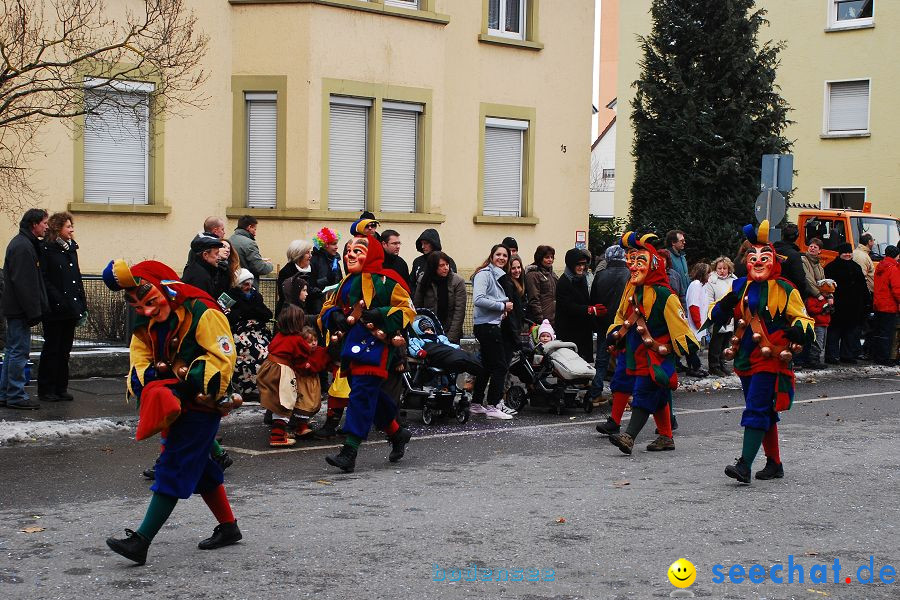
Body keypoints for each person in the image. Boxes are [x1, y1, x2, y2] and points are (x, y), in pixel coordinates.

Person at [102, 259, 241, 565]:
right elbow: (140, 363)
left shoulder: (202, 311)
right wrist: (155, 382)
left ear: (166, 289)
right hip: (171, 404)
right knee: (201, 468)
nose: (148, 311)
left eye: (151, 302)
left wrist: (186, 379)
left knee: (174, 464)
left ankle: (141, 541)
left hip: (200, 405)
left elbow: (222, 359)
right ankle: (229, 527)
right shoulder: (146, 323)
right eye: (139, 307)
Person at [708, 221, 813, 484]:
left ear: (773, 260)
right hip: (744, 355)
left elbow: (803, 318)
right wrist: (725, 305)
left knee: (756, 407)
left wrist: (799, 331)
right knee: (763, 409)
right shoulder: (740, 285)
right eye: (752, 257)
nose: (757, 262)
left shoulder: (784, 288)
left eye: (763, 257)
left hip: (770, 357)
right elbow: (716, 316)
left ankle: (744, 464)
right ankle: (774, 462)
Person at [319, 230, 416, 472]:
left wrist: (381, 315)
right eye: (348, 251)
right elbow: (328, 307)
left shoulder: (387, 281)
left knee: (361, 395)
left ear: (370, 254)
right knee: (370, 395)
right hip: (350, 348)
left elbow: (408, 309)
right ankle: (397, 433)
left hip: (377, 347)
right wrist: (336, 316)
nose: (350, 255)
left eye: (357, 251)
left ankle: (349, 451)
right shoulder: (346, 282)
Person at [605, 232, 699, 454]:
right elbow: (621, 315)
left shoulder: (665, 294)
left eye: (640, 262)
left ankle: (629, 436)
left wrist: (689, 352)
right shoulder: (631, 288)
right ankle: (666, 437)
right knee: (659, 395)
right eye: (632, 261)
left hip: (658, 354)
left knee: (644, 391)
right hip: (635, 351)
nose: (634, 267)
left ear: (653, 264)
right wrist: (614, 332)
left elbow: (680, 326)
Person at [258, 305, 331, 446]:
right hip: (283, 370)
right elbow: (301, 360)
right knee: (285, 403)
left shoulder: (280, 335)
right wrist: (305, 366)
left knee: (276, 402)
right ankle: (277, 437)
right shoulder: (297, 340)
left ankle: (280, 432)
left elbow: (271, 348)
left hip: (269, 367)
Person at [0, 208, 49, 410]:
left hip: (16, 309)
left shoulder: (24, 243)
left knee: (12, 351)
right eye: (44, 223)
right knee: (19, 352)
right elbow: (25, 283)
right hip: (20, 310)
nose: (47, 226)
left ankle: (6, 393)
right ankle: (15, 395)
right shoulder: (23, 247)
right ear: (34, 224)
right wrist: (33, 312)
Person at [37, 211, 87, 403]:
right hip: (55, 309)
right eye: (68, 226)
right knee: (52, 349)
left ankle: (60, 387)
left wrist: (82, 303)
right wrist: (58, 300)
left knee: (65, 350)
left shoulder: (70, 249)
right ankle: (47, 388)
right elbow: (46, 279)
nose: (71, 230)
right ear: (58, 228)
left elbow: (76, 278)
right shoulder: (47, 249)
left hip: (71, 309)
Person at [470, 244, 515, 420]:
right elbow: (479, 299)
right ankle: (493, 405)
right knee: (500, 366)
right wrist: (502, 306)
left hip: (490, 324)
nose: (502, 258)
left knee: (487, 366)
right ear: (491, 256)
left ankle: (476, 403)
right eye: (498, 254)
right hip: (486, 327)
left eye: (505, 255)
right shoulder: (485, 274)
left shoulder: (497, 275)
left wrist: (500, 311)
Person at [587, 245, 630, 403]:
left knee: (602, 359)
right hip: (625, 322)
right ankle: (623, 394)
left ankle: (596, 392)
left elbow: (593, 300)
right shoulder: (629, 274)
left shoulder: (600, 275)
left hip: (604, 322)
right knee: (625, 359)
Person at [226, 268, 273, 402]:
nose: (249, 287)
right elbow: (230, 315)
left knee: (267, 352)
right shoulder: (230, 296)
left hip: (258, 330)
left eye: (250, 284)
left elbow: (266, 314)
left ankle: (262, 386)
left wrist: (250, 312)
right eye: (246, 284)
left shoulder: (255, 295)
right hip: (240, 332)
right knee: (249, 354)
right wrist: (249, 313)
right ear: (239, 285)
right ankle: (248, 388)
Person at [555, 248, 604, 362]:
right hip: (568, 331)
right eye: (578, 264)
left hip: (583, 330)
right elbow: (567, 306)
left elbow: (586, 299)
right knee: (569, 364)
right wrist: (589, 309)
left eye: (583, 264)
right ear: (571, 264)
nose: (581, 267)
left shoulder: (581, 279)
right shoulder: (564, 282)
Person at [824, 243, 868, 364]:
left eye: (849, 253)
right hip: (838, 305)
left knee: (850, 333)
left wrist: (866, 301)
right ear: (840, 254)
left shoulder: (856, 267)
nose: (848, 255)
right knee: (834, 332)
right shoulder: (831, 267)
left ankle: (847, 355)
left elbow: (863, 286)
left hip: (853, 306)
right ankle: (832, 356)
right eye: (845, 253)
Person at [413, 251, 467, 344]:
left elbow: (459, 312)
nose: (446, 268)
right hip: (429, 330)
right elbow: (417, 307)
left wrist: (450, 339)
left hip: (450, 329)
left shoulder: (457, 281)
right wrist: (423, 330)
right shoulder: (424, 280)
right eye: (441, 265)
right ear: (433, 267)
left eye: (447, 264)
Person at [704, 257, 737, 376]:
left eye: (725, 268)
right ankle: (714, 365)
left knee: (726, 342)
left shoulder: (734, 280)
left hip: (730, 315)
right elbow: (709, 299)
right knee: (716, 343)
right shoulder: (711, 281)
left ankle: (722, 363)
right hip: (717, 314)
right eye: (719, 268)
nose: (722, 271)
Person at [872, 246, 900, 365]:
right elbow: (897, 289)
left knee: (879, 332)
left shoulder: (880, 265)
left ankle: (877, 356)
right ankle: (884, 358)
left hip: (879, 303)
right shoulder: (893, 268)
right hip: (889, 305)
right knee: (887, 333)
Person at [410, 228, 456, 296]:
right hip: (420, 301)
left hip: (442, 299)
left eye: (425, 243)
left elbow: (453, 283)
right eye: (422, 244)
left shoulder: (447, 260)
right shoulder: (417, 261)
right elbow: (411, 283)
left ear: (433, 243)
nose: (423, 246)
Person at [230, 215, 273, 287]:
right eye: (255, 229)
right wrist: (270, 265)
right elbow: (260, 268)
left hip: (232, 284)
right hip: (247, 286)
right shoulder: (250, 244)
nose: (255, 233)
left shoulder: (229, 240)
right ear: (249, 227)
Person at [309, 227, 343, 317]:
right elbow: (312, 284)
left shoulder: (335, 261)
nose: (336, 247)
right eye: (333, 244)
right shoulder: (314, 260)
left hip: (334, 304)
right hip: (318, 306)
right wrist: (327, 279)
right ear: (325, 244)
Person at [275, 239, 313, 319]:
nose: (310, 256)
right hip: (290, 314)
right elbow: (285, 294)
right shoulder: (286, 271)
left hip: (307, 311)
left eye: (310, 252)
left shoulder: (311, 269)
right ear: (299, 255)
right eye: (307, 253)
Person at [804, 279, 835, 369]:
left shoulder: (826, 299)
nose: (828, 295)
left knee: (821, 343)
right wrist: (822, 309)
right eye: (826, 293)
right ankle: (813, 360)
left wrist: (830, 308)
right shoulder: (813, 299)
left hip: (824, 323)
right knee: (817, 343)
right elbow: (810, 309)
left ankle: (815, 359)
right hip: (817, 323)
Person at [524, 245, 558, 326]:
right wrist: (540, 319)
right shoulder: (533, 275)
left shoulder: (552, 274)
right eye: (547, 257)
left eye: (552, 257)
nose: (550, 260)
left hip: (553, 319)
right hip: (541, 320)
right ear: (540, 258)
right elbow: (534, 299)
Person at [773, 223, 807, 298]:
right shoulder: (794, 255)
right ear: (796, 236)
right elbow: (800, 279)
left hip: (771, 291)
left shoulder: (771, 251)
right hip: (788, 293)